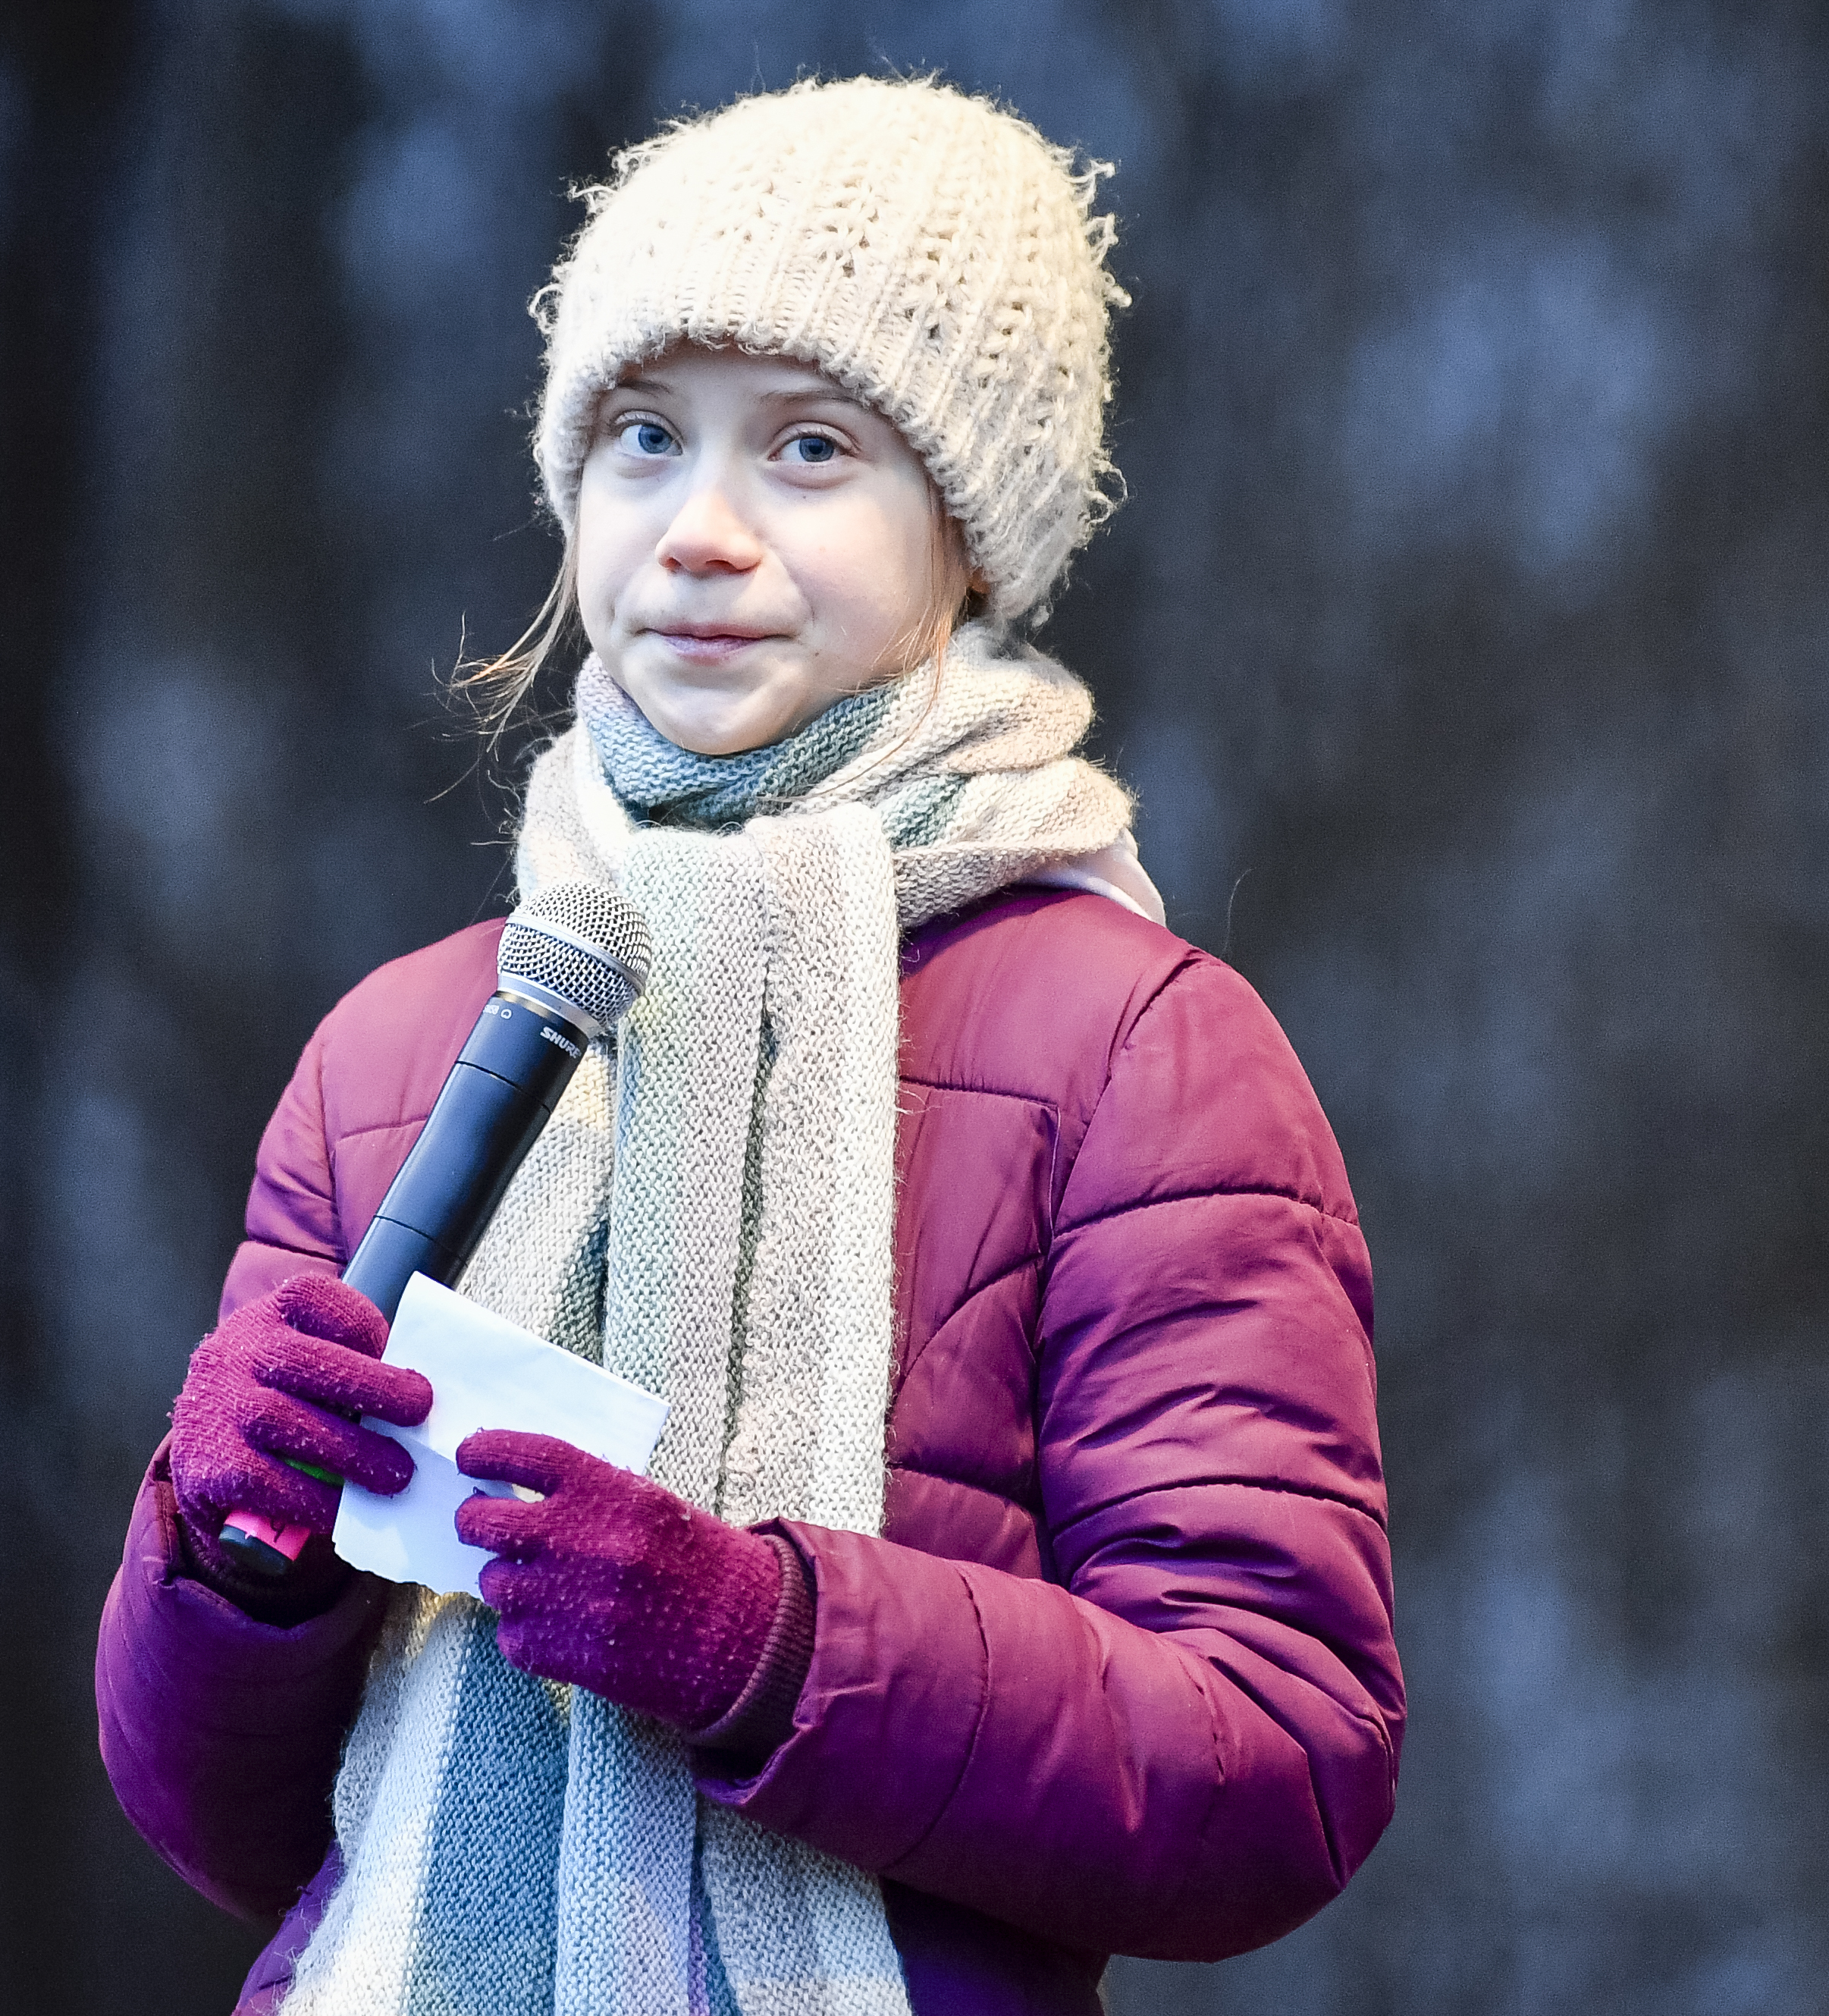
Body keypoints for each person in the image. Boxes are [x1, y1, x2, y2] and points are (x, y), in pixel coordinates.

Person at [94, 76, 1401, 2016]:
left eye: (807, 448)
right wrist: (231, 1558)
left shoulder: (1140, 1044)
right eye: (641, 436)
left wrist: (768, 1641)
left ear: (964, 531)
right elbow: (226, 1827)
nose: (698, 530)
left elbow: (1274, 1752)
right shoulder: (391, 1045)